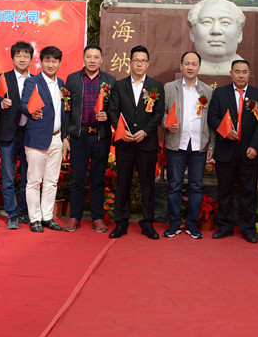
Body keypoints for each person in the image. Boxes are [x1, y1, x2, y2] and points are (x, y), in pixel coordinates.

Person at [106, 45, 165, 240]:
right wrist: (122, 131)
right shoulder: (119, 85)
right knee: (122, 182)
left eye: (143, 61)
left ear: (148, 64)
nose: (139, 64)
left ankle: (147, 223)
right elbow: (113, 111)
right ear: (130, 63)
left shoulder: (156, 86)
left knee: (147, 184)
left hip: (146, 143)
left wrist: (145, 132)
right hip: (125, 142)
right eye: (136, 60)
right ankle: (121, 222)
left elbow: (158, 114)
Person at [207, 59, 258, 243]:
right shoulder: (220, 93)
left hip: (249, 151)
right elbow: (212, 117)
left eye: (244, 72)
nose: (241, 75)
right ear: (231, 73)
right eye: (237, 71)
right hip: (226, 150)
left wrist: (255, 146)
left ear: (249, 73)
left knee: (249, 192)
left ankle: (248, 229)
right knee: (224, 191)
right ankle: (224, 227)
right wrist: (225, 131)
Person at [162, 51, 215, 239]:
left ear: (199, 67)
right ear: (181, 66)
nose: (190, 67)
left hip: (199, 145)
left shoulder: (207, 91)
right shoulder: (170, 88)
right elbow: (162, 112)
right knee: (174, 185)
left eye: (194, 64)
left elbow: (212, 121)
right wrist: (166, 123)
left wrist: (211, 146)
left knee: (196, 186)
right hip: (176, 144)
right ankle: (174, 223)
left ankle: (193, 224)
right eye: (187, 63)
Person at [63, 45, 116, 233]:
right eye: (89, 56)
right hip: (79, 136)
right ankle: (75, 216)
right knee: (77, 178)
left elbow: (115, 108)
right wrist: (65, 136)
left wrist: (108, 116)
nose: (92, 60)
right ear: (83, 58)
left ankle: (98, 217)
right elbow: (66, 109)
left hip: (100, 136)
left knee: (98, 179)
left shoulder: (109, 80)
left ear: (101, 60)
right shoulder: (72, 79)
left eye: (96, 57)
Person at [20, 46, 70, 233]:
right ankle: (34, 218)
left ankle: (47, 217)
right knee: (34, 181)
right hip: (36, 138)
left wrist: (64, 137)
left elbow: (63, 112)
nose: (51, 64)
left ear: (59, 63)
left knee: (51, 181)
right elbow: (23, 104)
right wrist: (30, 112)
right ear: (41, 61)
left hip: (57, 138)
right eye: (47, 60)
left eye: (54, 61)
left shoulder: (61, 84)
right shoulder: (32, 82)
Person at [0, 41, 33, 229]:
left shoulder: (37, 80)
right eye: (18, 55)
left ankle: (25, 212)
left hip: (30, 135)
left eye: (26, 55)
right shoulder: (3, 77)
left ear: (31, 58)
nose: (22, 59)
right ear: (12, 58)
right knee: (8, 178)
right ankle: (12, 214)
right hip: (8, 134)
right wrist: (2, 103)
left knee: (28, 177)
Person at [187, 0, 245, 75]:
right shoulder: (188, 69)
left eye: (225, 22)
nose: (216, 30)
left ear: (239, 34)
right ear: (192, 33)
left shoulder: (244, 68)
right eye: (206, 22)